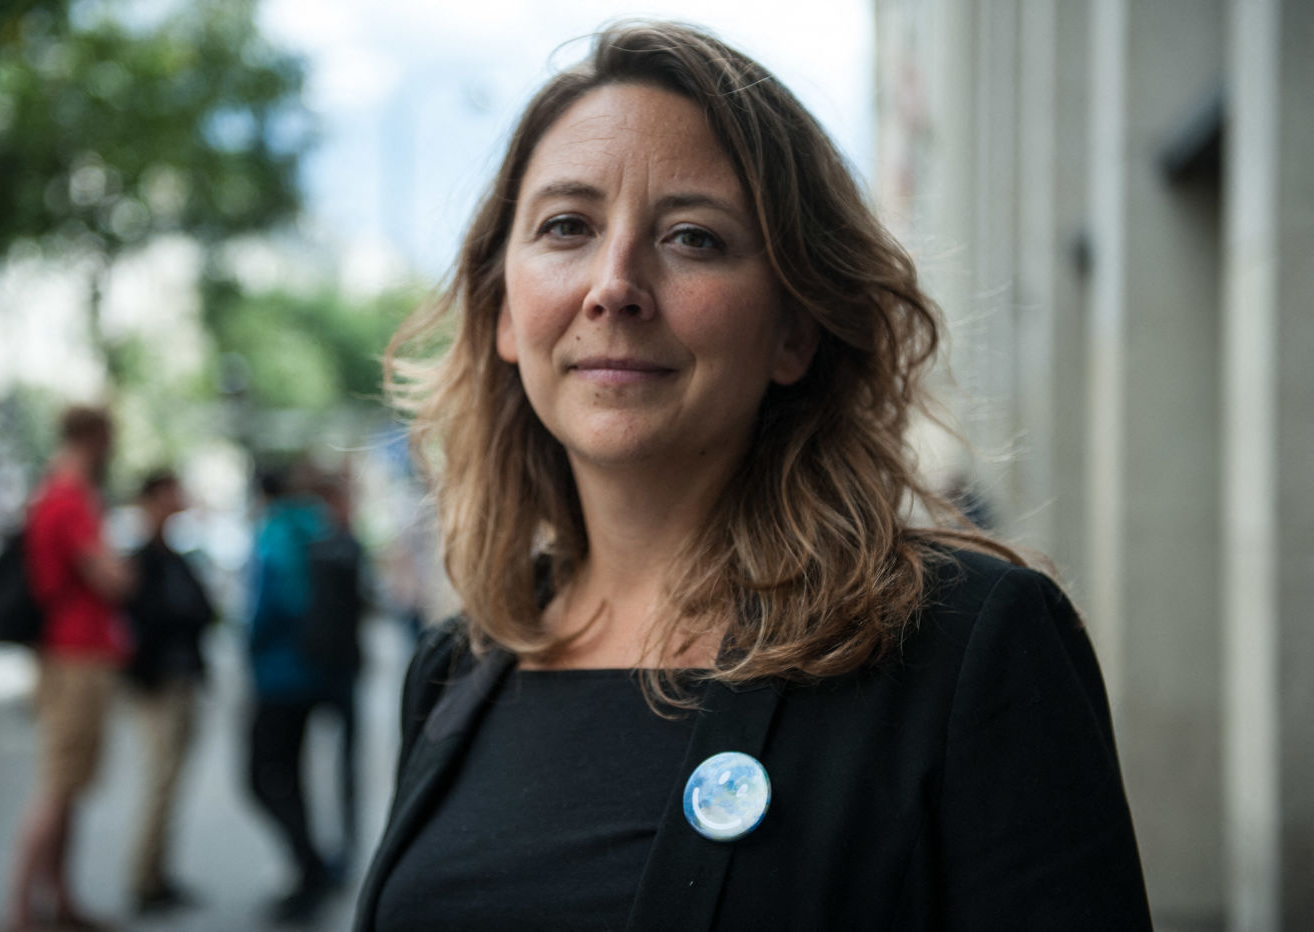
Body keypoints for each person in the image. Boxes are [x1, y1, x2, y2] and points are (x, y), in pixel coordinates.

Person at [353, 20, 1152, 932]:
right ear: (504, 311)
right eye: (567, 226)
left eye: (693, 238)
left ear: (794, 331)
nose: (614, 285)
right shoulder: (453, 672)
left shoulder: (966, 647)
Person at [4, 405, 133, 932]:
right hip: (75, 656)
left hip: (68, 653)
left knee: (68, 785)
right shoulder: (69, 498)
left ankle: (58, 899)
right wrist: (121, 569)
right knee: (58, 786)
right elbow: (111, 579)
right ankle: (19, 912)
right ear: (95, 437)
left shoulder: (52, 493)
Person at [122, 469, 215, 914]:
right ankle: (146, 880)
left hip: (178, 678)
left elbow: (202, 610)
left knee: (169, 782)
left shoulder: (171, 556)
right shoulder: (142, 559)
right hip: (158, 684)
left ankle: (155, 875)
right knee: (160, 781)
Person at [244, 465, 333, 923]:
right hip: (314, 672)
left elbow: (270, 606)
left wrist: (249, 644)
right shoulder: (316, 524)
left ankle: (309, 866)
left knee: (260, 777)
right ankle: (310, 866)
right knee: (291, 775)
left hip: (277, 676)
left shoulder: (275, 533)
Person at [304, 472, 369, 878]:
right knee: (338, 762)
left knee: (342, 763)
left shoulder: (331, 546)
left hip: (334, 664)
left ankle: (342, 847)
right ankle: (336, 848)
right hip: (327, 665)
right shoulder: (334, 547)